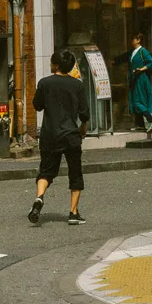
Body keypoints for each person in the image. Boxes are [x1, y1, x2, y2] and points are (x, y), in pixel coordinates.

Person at [29, 48, 90, 226]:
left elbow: (37, 105)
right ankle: (73, 212)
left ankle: (39, 198)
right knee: (75, 173)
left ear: (55, 65)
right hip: (71, 134)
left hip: (49, 134)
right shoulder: (77, 85)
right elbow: (84, 112)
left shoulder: (44, 83)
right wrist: (83, 126)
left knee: (46, 171)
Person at [127, 33, 152, 134]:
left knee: (137, 101)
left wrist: (141, 69)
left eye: (133, 39)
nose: (132, 41)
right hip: (135, 78)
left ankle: (151, 120)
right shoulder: (133, 52)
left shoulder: (143, 51)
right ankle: (140, 125)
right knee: (135, 99)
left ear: (138, 40)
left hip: (141, 78)